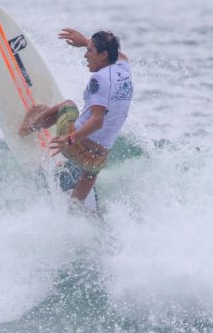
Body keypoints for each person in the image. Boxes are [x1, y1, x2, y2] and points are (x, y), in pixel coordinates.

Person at [19, 28, 133, 202]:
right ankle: (75, 207)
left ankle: (28, 128)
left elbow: (97, 121)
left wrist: (70, 138)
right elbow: (118, 54)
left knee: (68, 105)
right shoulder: (124, 68)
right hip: (98, 159)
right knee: (90, 173)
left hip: (75, 145)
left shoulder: (100, 79)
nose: (85, 55)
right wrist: (85, 41)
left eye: (89, 51)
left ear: (103, 55)